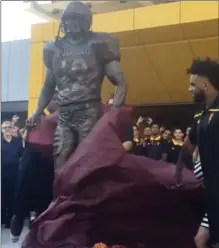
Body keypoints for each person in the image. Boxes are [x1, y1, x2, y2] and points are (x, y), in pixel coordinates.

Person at [26, 1, 127, 170]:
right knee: (60, 159)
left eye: (76, 19)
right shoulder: (55, 49)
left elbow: (121, 81)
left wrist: (114, 111)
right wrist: (36, 112)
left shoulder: (98, 44)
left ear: (85, 21)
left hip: (89, 111)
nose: (71, 24)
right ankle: (61, 196)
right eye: (68, 20)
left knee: (86, 161)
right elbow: (48, 86)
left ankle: (86, 196)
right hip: (64, 113)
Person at [175, 58, 219, 248]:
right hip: (212, 192)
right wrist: (186, 166)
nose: (189, 89)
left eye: (193, 84)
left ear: (205, 84)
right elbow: (188, 142)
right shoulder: (200, 114)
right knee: (200, 239)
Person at [10, 94, 59, 243]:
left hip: (46, 164)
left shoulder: (56, 119)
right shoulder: (38, 118)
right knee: (21, 205)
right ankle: (17, 230)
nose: (54, 102)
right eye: (52, 99)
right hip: (32, 162)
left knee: (43, 206)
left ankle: (37, 235)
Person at [1, 121, 23, 228]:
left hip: (15, 173)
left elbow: (22, 156)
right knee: (2, 196)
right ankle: (3, 218)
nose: (7, 129)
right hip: (2, 174)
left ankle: (10, 219)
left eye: (9, 127)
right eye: (5, 128)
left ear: (12, 128)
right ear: (1, 129)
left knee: (13, 196)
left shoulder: (18, 141)